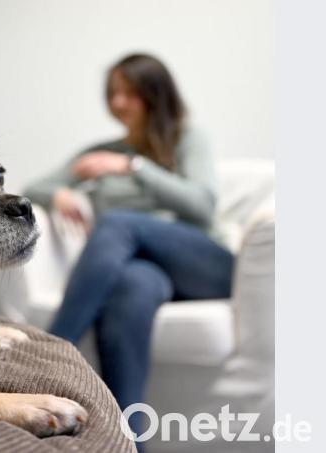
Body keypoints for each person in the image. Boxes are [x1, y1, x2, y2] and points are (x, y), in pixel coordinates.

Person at [24, 54, 234, 444]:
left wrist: (132, 167)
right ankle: (128, 442)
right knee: (132, 287)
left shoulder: (187, 138)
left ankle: (49, 352)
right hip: (148, 271)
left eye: (129, 93)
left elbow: (203, 204)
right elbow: (36, 187)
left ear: (155, 94)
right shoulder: (103, 149)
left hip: (207, 266)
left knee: (118, 223)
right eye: (113, 94)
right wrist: (62, 193)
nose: (118, 103)